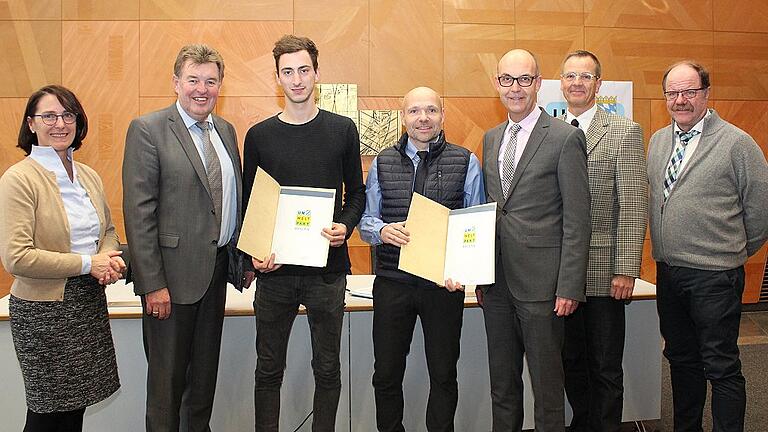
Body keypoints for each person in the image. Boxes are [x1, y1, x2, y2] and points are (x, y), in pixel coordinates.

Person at [122, 44, 252, 431]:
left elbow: (232, 204)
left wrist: (240, 260)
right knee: (167, 389)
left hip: (214, 278)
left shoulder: (225, 131)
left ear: (220, 86)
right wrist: (152, 285)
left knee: (202, 386)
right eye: (193, 79)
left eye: (211, 81)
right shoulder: (148, 129)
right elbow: (139, 213)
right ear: (176, 82)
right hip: (170, 284)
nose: (202, 89)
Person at [242, 34, 365, 431]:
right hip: (274, 273)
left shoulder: (342, 130)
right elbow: (251, 206)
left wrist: (345, 226)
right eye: (287, 72)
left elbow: (357, 196)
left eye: (303, 70)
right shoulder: (259, 136)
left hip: (327, 275)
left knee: (328, 369)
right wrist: (255, 251)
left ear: (317, 73)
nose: (296, 80)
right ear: (277, 78)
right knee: (267, 371)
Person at [648, 60, 768, 432]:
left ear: (706, 93)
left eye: (689, 91)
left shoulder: (736, 143)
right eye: (673, 93)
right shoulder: (658, 140)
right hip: (669, 273)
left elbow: (760, 212)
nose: (681, 100)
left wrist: (729, 253)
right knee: (682, 360)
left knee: (721, 365)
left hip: (715, 277)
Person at [358, 86, 485, 431]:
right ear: (404, 117)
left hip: (442, 287)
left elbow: (475, 224)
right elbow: (366, 220)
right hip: (392, 284)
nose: (423, 118)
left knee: (444, 374)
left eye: (431, 110)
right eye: (415, 111)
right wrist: (382, 231)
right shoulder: (383, 161)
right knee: (385, 373)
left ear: (443, 116)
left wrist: (463, 268)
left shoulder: (466, 161)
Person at [478, 49, 591, 431]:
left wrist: (569, 286)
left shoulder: (564, 138)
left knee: (546, 388)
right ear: (497, 84)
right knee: (502, 385)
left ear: (539, 83)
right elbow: (493, 210)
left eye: (524, 79)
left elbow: (578, 220)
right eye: (507, 80)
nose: (515, 88)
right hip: (496, 286)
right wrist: (478, 271)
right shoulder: (491, 138)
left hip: (544, 289)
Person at [0, 85, 125, 432]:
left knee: (74, 412)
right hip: (44, 312)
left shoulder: (89, 175)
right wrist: (89, 264)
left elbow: (109, 230)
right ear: (31, 123)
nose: (60, 123)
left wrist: (105, 256)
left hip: (85, 303)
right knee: (47, 414)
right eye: (49, 116)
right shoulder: (18, 179)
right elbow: (17, 257)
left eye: (68, 115)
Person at [557, 50, 648, 432]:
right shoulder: (553, 131)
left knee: (606, 366)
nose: (577, 82)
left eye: (585, 76)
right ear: (561, 83)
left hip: (604, 273)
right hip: (562, 274)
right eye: (570, 75)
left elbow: (632, 204)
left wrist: (625, 269)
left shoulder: (624, 132)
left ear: (598, 84)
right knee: (572, 362)